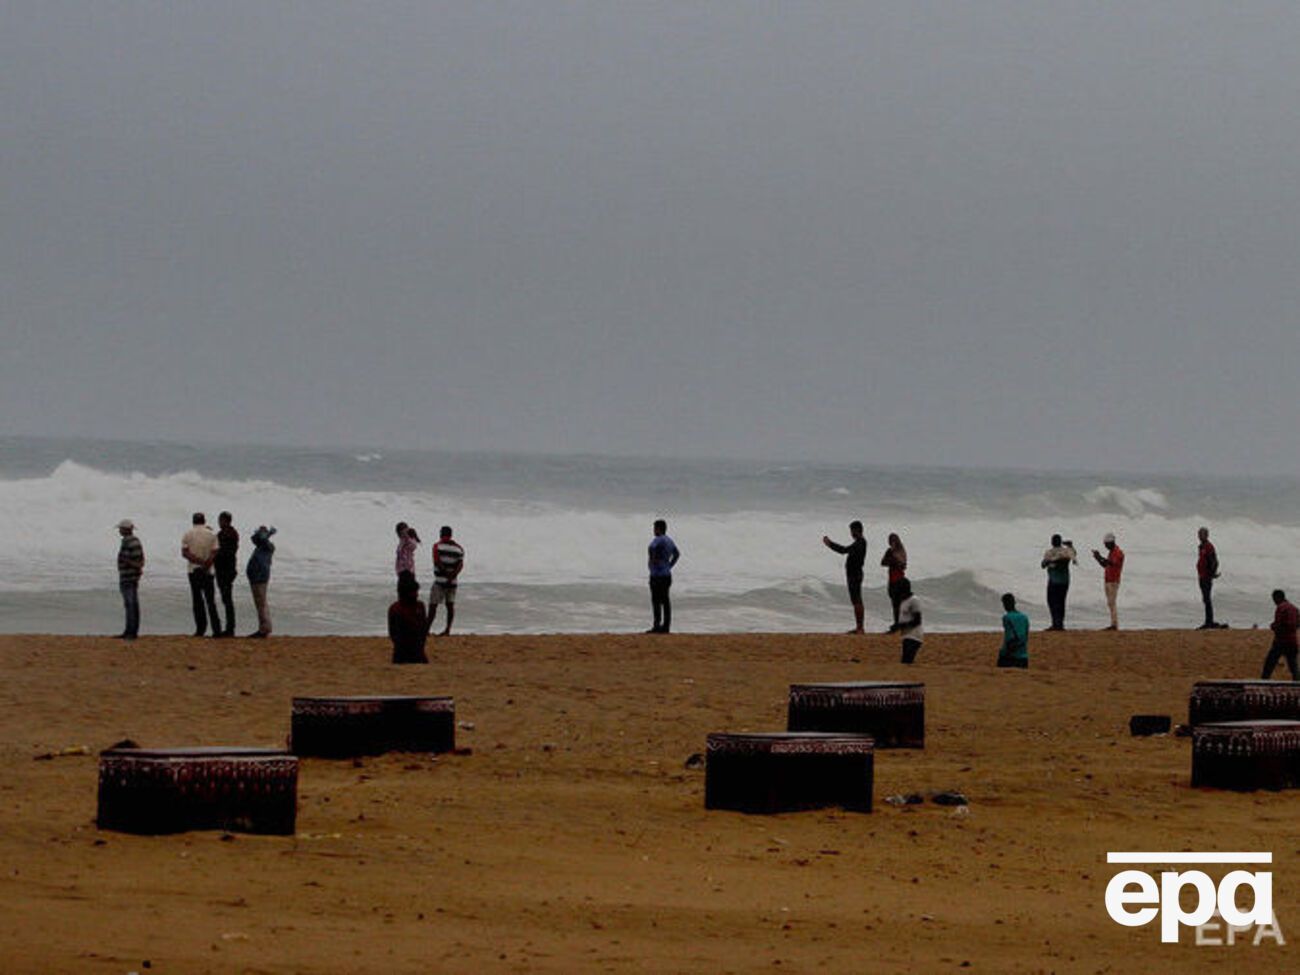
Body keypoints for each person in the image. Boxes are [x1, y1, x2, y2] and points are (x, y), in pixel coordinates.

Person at [181, 512, 221, 637]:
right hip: (208, 571)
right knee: (210, 601)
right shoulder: (212, 534)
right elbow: (215, 551)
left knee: (197, 600)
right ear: (204, 521)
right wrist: (207, 563)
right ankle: (216, 630)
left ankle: (200, 629)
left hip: (193, 570)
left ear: (193, 521)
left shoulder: (188, 534)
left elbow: (185, 553)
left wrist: (198, 561)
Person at [823, 521, 867, 634]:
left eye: (852, 531)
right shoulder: (860, 542)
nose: (851, 533)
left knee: (856, 600)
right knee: (856, 600)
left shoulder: (860, 543)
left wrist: (830, 544)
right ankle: (859, 627)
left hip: (855, 574)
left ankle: (860, 628)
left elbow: (843, 550)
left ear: (857, 530)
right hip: (855, 573)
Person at [430, 525, 465, 636]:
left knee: (433, 606)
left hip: (440, 580)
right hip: (452, 582)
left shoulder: (437, 546)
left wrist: (445, 574)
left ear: (441, 534)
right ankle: (448, 629)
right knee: (450, 606)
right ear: (451, 535)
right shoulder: (459, 549)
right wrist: (452, 576)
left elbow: (437, 562)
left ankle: (426, 629)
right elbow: (460, 565)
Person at [647, 519, 681, 634]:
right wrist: (669, 565)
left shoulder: (658, 539)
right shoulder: (670, 541)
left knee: (656, 600)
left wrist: (652, 562)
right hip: (667, 574)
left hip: (657, 575)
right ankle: (666, 626)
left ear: (658, 529)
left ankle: (657, 625)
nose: (653, 530)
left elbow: (652, 547)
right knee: (665, 600)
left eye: (655, 528)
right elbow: (677, 554)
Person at [388, 573, 429, 664]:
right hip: (403, 652)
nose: (417, 595)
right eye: (414, 593)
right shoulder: (397, 609)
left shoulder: (419, 606)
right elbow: (394, 634)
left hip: (415, 651)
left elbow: (423, 631)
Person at [245, 525, 276, 638]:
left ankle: (265, 628)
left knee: (261, 603)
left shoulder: (267, 546)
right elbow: (254, 538)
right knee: (260, 603)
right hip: (257, 578)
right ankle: (263, 627)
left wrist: (267, 534)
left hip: (260, 578)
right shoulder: (262, 546)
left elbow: (261, 539)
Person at [1040, 534, 1077, 631]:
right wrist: (1070, 546)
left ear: (1052, 542)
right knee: (1061, 602)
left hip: (1054, 581)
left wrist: (1048, 562)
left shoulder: (1050, 552)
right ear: (1060, 542)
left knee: (1052, 602)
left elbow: (1043, 565)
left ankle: (1055, 623)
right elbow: (1073, 554)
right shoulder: (1066, 551)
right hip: (1065, 581)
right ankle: (1060, 624)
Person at [115, 519, 144, 639]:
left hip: (127, 576)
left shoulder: (127, 541)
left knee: (130, 604)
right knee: (133, 604)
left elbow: (126, 558)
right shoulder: (136, 540)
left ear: (125, 529)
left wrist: (130, 565)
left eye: (120, 529)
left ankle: (130, 632)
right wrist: (138, 569)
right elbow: (141, 559)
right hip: (133, 576)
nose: (119, 531)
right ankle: (131, 631)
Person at [1261, 589, 1298, 680]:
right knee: (1293, 666)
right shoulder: (1294, 608)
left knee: (1269, 663)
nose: (1274, 601)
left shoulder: (1281, 608)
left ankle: (1264, 681)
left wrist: (1273, 626)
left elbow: (1279, 623)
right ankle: (1297, 684)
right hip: (1293, 640)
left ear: (1277, 598)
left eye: (1274, 599)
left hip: (1281, 641)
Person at [1091, 532, 1126, 630]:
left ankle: (1114, 624)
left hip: (1113, 580)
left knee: (1112, 602)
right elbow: (1105, 565)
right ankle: (1113, 623)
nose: (1105, 546)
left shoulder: (1118, 552)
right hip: (1108, 579)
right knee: (1110, 603)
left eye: (1106, 544)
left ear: (1111, 543)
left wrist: (1100, 556)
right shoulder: (1112, 552)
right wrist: (1098, 558)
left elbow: (1111, 563)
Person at [213, 511, 240, 638]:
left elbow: (223, 552)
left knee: (227, 599)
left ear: (225, 521)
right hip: (227, 569)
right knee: (227, 599)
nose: (219, 523)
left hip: (225, 570)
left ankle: (230, 628)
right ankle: (230, 627)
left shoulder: (227, 534)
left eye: (220, 520)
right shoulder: (229, 533)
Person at [1196, 527, 1225, 629]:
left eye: (1201, 534)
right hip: (1202, 576)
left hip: (1206, 577)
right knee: (1205, 599)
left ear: (1206, 535)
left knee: (1207, 599)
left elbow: (1214, 561)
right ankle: (1208, 620)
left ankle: (1209, 621)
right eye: (1199, 534)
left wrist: (1212, 573)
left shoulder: (1209, 546)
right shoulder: (1201, 547)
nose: (1199, 536)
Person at [881, 532, 908, 632]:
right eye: (890, 541)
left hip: (900, 579)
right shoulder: (889, 551)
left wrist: (893, 558)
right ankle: (897, 623)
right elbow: (883, 562)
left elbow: (903, 565)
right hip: (892, 579)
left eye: (893, 540)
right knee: (894, 603)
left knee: (900, 603)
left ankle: (900, 624)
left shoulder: (901, 551)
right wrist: (891, 557)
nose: (891, 543)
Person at [997, 593, 1030, 668]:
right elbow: (1026, 636)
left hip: (1011, 657)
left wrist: (1005, 652)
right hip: (1024, 656)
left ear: (1004, 604)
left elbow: (1010, 637)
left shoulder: (1007, 617)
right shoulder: (1024, 617)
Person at [896, 579, 923, 663]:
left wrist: (901, 625)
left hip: (914, 636)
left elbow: (917, 620)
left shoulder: (914, 600)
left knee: (906, 661)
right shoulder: (903, 601)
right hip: (906, 636)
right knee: (906, 661)